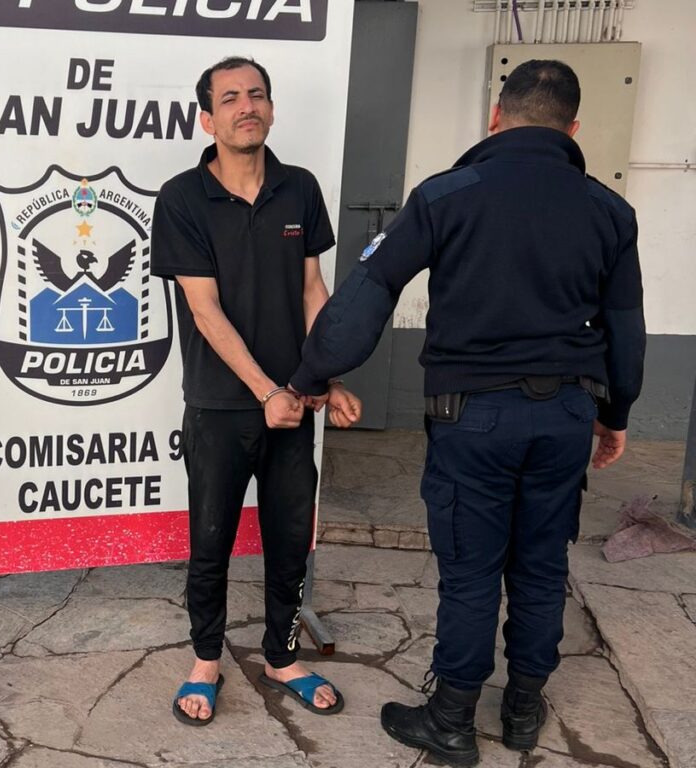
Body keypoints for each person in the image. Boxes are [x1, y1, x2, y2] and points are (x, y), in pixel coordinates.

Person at [289, 59, 645, 765]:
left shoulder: (445, 194)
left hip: (474, 418)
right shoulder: (610, 210)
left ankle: (451, 720)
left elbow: (369, 292)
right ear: (573, 128)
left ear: (495, 115)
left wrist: (312, 375)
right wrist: (617, 415)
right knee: (542, 564)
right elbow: (626, 328)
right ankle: (522, 711)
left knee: (472, 569)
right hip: (566, 416)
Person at [151, 56, 363, 726]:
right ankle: (205, 661)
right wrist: (268, 390)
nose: (247, 106)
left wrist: (324, 377)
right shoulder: (182, 198)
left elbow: (312, 290)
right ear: (207, 119)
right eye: (231, 98)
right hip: (220, 407)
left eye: (257, 94)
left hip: (293, 404)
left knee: (290, 538)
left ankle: (282, 656)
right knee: (211, 542)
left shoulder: (300, 188)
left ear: (270, 109)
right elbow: (204, 310)